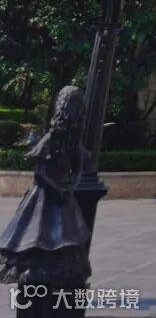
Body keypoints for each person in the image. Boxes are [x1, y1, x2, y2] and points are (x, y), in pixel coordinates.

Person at [0, 86, 92, 317]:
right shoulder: (50, 139)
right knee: (39, 241)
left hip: (63, 199)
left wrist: (71, 184)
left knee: (67, 241)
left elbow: (79, 164)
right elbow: (40, 173)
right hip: (44, 200)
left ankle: (58, 286)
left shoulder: (73, 141)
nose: (76, 112)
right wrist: (59, 188)